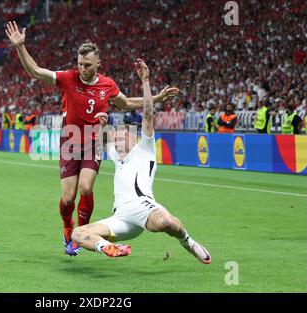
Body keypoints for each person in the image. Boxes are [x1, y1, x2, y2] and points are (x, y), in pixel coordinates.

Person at [5, 21, 179, 256]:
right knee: (68, 198)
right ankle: (68, 228)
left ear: (98, 64)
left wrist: (156, 98)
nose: (83, 68)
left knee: (86, 188)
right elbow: (36, 72)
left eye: (87, 64)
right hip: (69, 141)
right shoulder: (68, 78)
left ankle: (80, 233)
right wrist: (20, 47)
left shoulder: (107, 85)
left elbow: (126, 103)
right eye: (80, 64)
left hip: (92, 142)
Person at [71, 59, 211, 264]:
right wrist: (101, 125)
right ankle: (109, 248)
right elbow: (99, 139)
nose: (117, 141)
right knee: (78, 233)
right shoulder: (117, 157)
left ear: (133, 138)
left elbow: (147, 113)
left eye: (121, 137)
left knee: (167, 222)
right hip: (120, 217)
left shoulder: (144, 149)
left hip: (142, 206)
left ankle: (187, 242)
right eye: (115, 138)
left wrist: (145, 81)